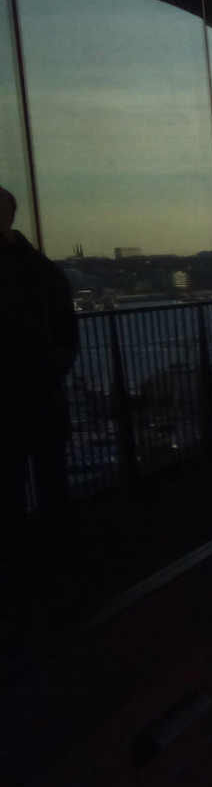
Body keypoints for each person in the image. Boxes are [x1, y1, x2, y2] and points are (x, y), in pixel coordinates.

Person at [0, 186, 77, 559]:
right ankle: (57, 549)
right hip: (42, 387)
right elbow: (66, 331)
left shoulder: (33, 269)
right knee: (50, 474)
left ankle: (21, 555)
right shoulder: (43, 269)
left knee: (11, 480)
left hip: (14, 391)